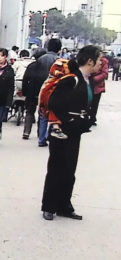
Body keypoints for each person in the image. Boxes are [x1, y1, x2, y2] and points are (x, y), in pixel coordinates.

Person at [41, 46, 102, 221]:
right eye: (99, 60)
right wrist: (71, 120)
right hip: (62, 130)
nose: (100, 64)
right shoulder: (70, 79)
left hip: (75, 132)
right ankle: (49, 206)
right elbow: (54, 103)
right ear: (90, 61)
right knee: (56, 168)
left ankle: (64, 206)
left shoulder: (86, 80)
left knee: (69, 170)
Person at [21, 39, 62, 145]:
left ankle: (28, 132)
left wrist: (26, 91)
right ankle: (43, 136)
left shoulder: (39, 61)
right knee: (45, 114)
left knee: (31, 112)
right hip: (50, 91)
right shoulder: (59, 61)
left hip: (35, 89)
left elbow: (29, 77)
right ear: (59, 48)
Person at [89, 55, 109, 125]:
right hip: (87, 84)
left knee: (94, 103)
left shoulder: (103, 62)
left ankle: (92, 118)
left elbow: (104, 74)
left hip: (97, 86)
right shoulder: (89, 59)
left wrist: (94, 79)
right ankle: (86, 117)